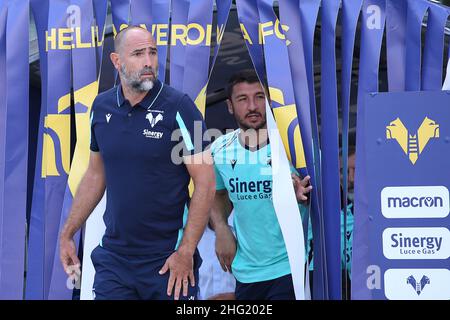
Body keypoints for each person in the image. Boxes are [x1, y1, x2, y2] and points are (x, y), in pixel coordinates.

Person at [59, 26, 215, 300]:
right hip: (115, 260)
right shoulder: (101, 107)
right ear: (117, 61)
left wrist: (186, 250)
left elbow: (206, 182)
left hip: (168, 260)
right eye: (138, 54)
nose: (148, 62)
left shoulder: (182, 106)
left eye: (153, 53)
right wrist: (68, 233)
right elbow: (96, 175)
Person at [209, 70, 312, 300]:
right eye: (243, 99)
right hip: (246, 273)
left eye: (259, 97)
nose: (253, 106)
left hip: (292, 267)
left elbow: (330, 194)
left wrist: (299, 195)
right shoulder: (219, 149)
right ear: (229, 106)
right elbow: (216, 195)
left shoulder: (295, 145)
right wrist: (222, 227)